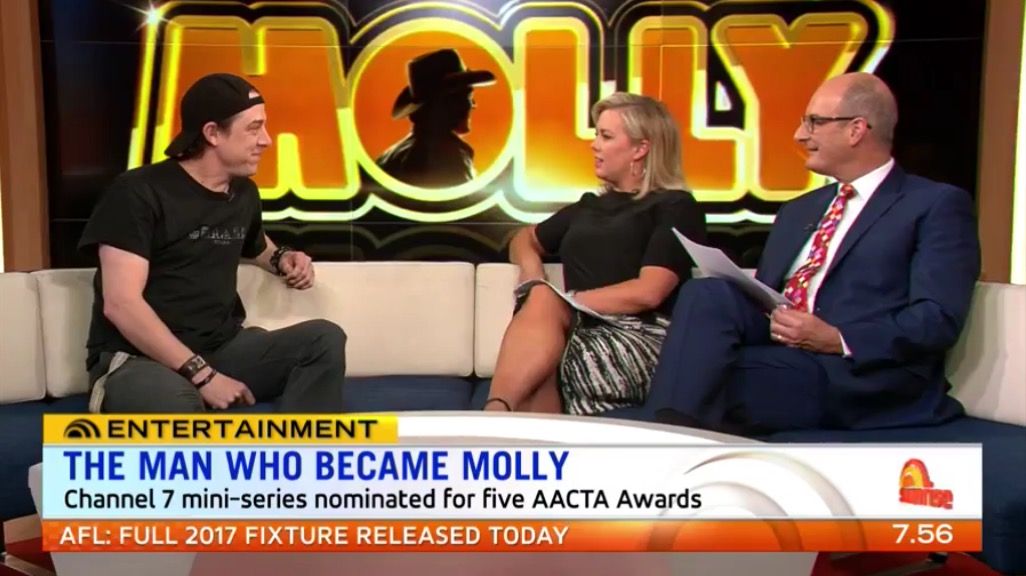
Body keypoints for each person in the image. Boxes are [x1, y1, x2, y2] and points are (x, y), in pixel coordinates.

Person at [646, 72, 980, 434]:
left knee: (699, 380)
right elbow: (766, 297)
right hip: (784, 346)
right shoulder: (799, 210)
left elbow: (936, 319)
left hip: (855, 371)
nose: (799, 136)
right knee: (705, 292)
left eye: (814, 122)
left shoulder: (933, 204)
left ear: (856, 130)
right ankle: (672, 436)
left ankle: (663, 441)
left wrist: (836, 338)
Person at [78, 73, 347, 414]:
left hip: (221, 348)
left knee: (323, 340)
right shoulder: (137, 192)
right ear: (212, 133)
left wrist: (283, 257)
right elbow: (121, 304)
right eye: (254, 128)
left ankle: (298, 445)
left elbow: (255, 245)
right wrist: (203, 376)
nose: (267, 140)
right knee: (177, 403)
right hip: (138, 358)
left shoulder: (243, 192)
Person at [485, 92, 707, 415]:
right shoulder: (588, 207)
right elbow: (523, 239)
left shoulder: (675, 207)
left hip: (636, 337)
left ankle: (492, 416)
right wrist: (533, 276)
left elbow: (649, 291)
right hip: (578, 331)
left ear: (640, 149)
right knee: (543, 338)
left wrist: (567, 302)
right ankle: (503, 419)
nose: (594, 145)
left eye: (606, 136)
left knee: (545, 333)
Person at [376, 48, 495, 187]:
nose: (473, 105)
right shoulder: (448, 156)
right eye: (468, 96)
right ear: (447, 103)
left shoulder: (389, 157)